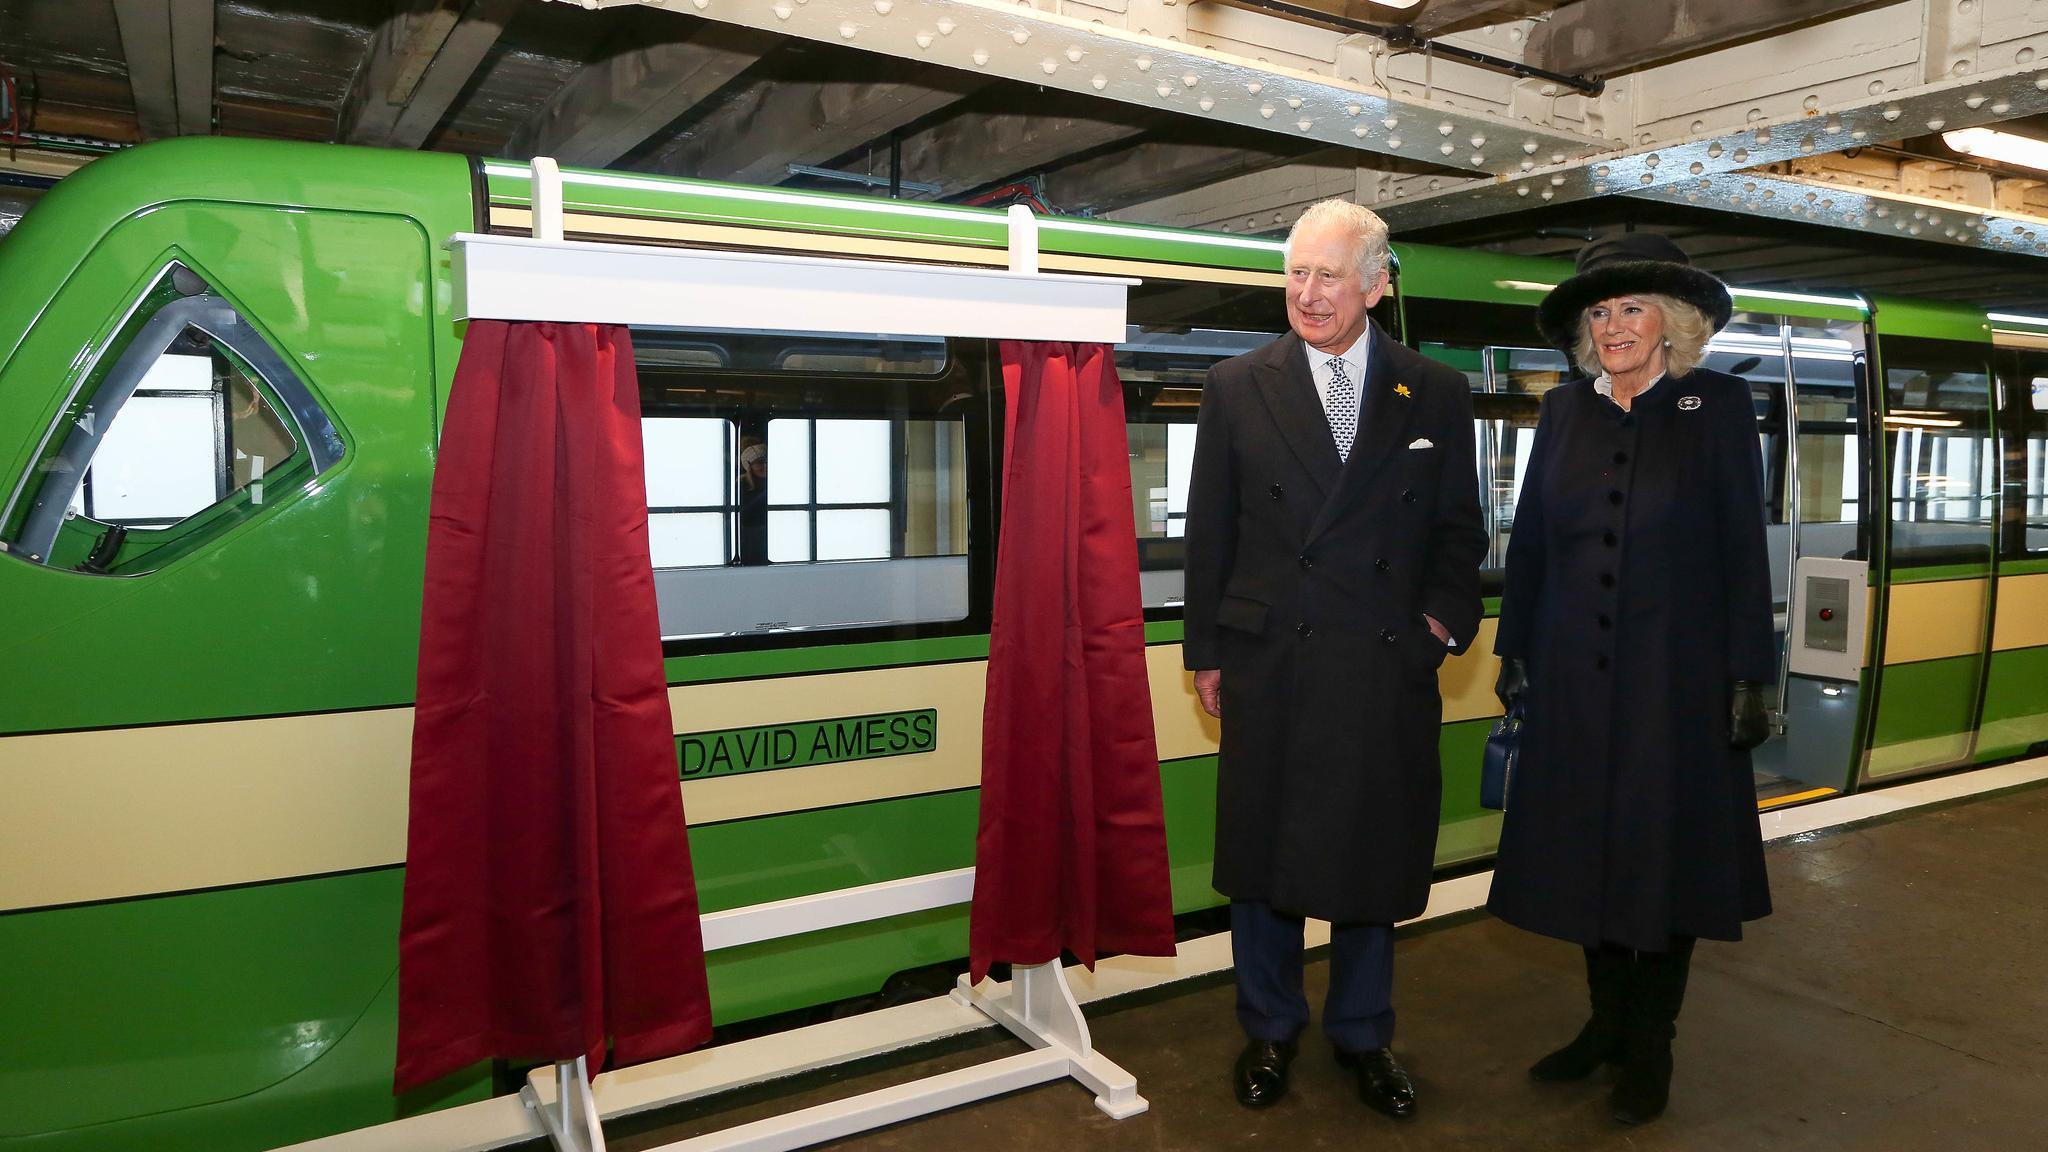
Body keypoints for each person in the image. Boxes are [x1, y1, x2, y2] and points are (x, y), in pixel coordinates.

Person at [1183, 199, 1486, 1120]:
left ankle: (1364, 1033)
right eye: (1296, 274)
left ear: (1376, 283)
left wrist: (1438, 626)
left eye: (1327, 275)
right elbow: (1211, 533)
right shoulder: (1237, 384)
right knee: (1267, 856)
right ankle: (1269, 1026)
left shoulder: (1434, 390)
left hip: (1382, 661)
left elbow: (1456, 533)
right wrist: (1206, 650)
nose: (1307, 294)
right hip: (1273, 655)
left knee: (1370, 858)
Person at [1489, 232, 1774, 1125]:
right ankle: (1605, 1026)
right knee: (1588, 863)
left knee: (1665, 868)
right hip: (1576, 680)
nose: (1613, 326)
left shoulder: (1719, 405)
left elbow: (1741, 549)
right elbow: (1532, 539)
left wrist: (1749, 674)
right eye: (1600, 312)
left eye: (1632, 307)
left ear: (1673, 322)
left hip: (1676, 686)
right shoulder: (1566, 413)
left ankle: (1652, 1046)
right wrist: (1518, 650)